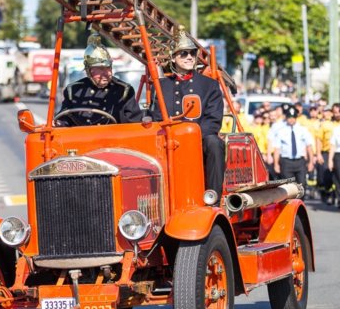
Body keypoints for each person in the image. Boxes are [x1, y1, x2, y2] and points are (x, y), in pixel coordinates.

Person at [151, 26, 225, 193]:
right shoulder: (162, 86)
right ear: (173, 57)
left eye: (192, 53)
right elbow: (157, 117)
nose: (189, 57)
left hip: (198, 140)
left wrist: (190, 139)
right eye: (183, 53)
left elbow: (213, 120)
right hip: (168, 140)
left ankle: (213, 196)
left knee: (214, 143)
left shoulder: (209, 85)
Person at [57, 33, 142, 126]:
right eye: (101, 69)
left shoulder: (123, 91)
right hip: (81, 139)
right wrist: (59, 123)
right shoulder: (73, 90)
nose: (107, 73)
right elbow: (64, 119)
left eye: (109, 68)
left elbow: (134, 124)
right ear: (89, 70)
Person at [272, 105, 315, 187]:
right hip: (286, 161)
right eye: (289, 117)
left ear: (296, 118)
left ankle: (301, 200)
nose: (291, 119)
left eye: (293, 117)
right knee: (289, 187)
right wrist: (276, 164)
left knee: (302, 185)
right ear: (286, 118)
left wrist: (311, 162)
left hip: (300, 161)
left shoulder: (303, 130)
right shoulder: (281, 131)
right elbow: (277, 149)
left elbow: (309, 146)